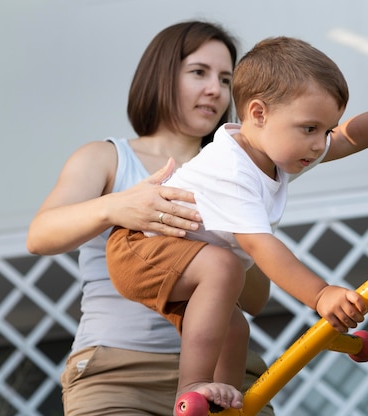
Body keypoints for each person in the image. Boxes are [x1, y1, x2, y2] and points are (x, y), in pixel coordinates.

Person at [106, 36, 368, 412]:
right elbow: (259, 245)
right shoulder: (232, 169)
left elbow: (349, 137)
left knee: (233, 328)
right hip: (138, 248)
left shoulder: (274, 148)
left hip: (175, 252)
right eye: (309, 129)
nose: (320, 144)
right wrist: (320, 294)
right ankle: (192, 388)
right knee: (222, 268)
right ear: (258, 114)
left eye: (325, 130)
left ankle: (223, 403)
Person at [26, 21, 275, 416]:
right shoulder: (105, 157)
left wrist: (236, 233)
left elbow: (257, 300)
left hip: (223, 377)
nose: (215, 89)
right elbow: (39, 236)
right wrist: (117, 207)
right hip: (118, 375)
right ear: (161, 75)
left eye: (226, 79)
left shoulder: (239, 174)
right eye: (199, 72)